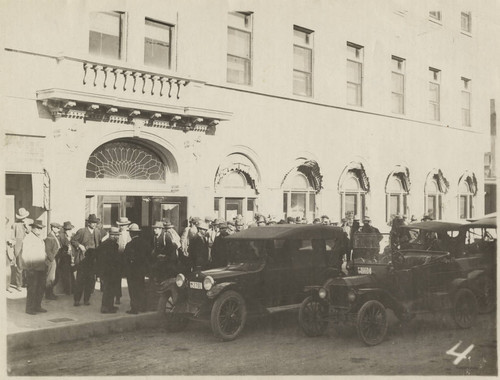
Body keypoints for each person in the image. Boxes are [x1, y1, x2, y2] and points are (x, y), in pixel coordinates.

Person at [71, 214, 103, 306]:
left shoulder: (97, 232)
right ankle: (77, 300)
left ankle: (86, 300)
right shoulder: (81, 231)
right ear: (88, 223)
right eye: (92, 223)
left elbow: (99, 245)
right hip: (82, 259)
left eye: (95, 223)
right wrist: (79, 245)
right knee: (80, 280)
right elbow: (73, 240)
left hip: (92, 260)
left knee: (90, 280)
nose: (94, 224)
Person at [20, 220, 47, 315]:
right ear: (33, 228)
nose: (39, 230)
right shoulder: (29, 238)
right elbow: (25, 254)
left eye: (40, 228)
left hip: (41, 267)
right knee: (32, 288)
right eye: (37, 228)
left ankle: (37, 306)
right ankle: (30, 308)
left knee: (40, 287)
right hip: (32, 268)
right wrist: (28, 267)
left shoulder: (39, 238)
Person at [123, 224, 148, 314]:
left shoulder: (130, 245)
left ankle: (134, 308)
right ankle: (143, 307)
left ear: (131, 233)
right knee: (141, 288)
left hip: (132, 271)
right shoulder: (145, 243)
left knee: (133, 290)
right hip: (141, 271)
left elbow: (125, 259)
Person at [95, 227, 121, 314]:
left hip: (106, 270)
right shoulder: (112, 245)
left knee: (109, 289)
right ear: (111, 235)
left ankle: (109, 306)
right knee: (109, 289)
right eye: (115, 235)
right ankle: (106, 307)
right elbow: (113, 259)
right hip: (110, 271)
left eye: (117, 235)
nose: (116, 237)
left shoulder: (104, 244)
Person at [11, 207, 30, 291]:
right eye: (23, 217)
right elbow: (13, 237)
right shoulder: (15, 225)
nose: (24, 219)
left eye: (25, 217)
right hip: (19, 247)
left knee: (28, 266)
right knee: (19, 266)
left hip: (27, 247)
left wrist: (26, 225)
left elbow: (30, 233)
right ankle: (19, 284)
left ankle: (26, 282)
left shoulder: (28, 223)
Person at [115, 217, 132, 305]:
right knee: (117, 279)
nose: (122, 227)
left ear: (127, 226)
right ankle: (118, 297)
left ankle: (132, 299)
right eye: (121, 225)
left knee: (130, 278)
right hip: (119, 259)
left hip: (128, 260)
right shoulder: (117, 234)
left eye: (124, 225)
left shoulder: (130, 234)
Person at [55, 221, 75, 295]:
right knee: (66, 274)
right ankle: (68, 290)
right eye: (67, 230)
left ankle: (73, 289)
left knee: (72, 274)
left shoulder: (73, 237)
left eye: (70, 230)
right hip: (65, 258)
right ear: (65, 230)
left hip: (72, 257)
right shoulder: (61, 237)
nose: (69, 231)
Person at [44, 222, 61, 300]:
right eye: (57, 228)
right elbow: (47, 250)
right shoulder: (49, 237)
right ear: (53, 228)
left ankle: (50, 293)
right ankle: (48, 295)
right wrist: (52, 260)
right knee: (50, 278)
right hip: (51, 260)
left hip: (54, 259)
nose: (58, 229)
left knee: (52, 278)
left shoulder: (54, 236)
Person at [6, 217, 16, 292]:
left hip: (7, 252)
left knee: (8, 269)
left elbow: (14, 240)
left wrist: (11, 242)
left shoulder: (10, 231)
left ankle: (7, 286)